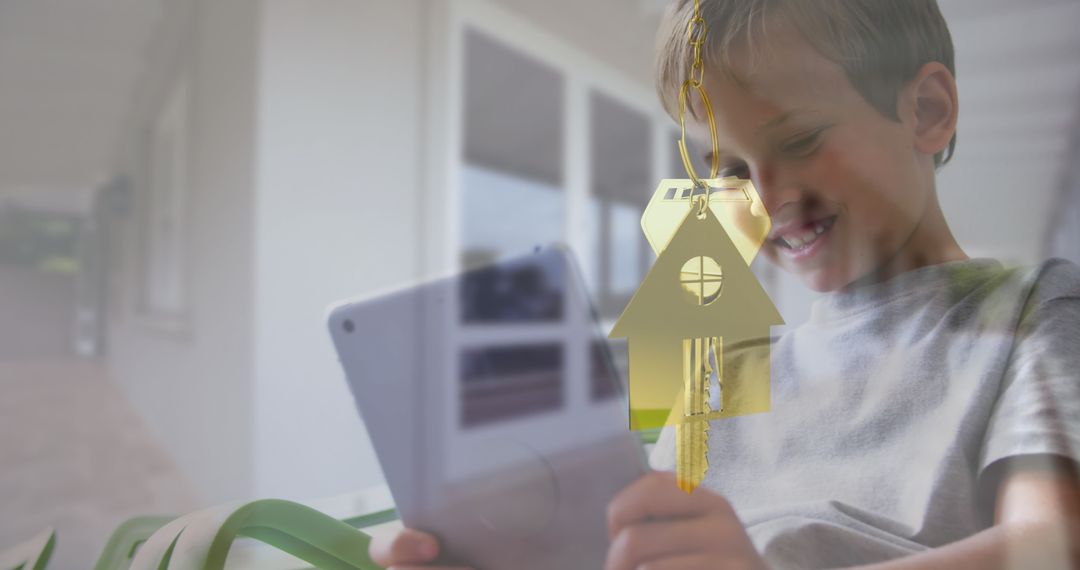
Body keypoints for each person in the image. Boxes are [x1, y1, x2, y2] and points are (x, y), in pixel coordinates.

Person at [371, 1, 1080, 568]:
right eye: (732, 171)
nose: (764, 199)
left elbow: (1051, 548)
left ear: (926, 111)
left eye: (799, 141)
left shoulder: (1031, 312)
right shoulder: (722, 379)